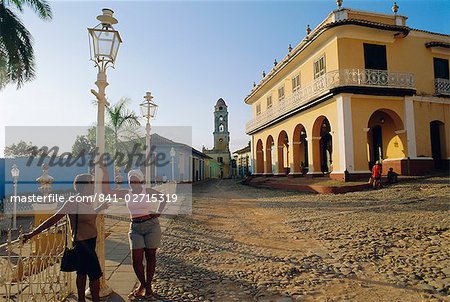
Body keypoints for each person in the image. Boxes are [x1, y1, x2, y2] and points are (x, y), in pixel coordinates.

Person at [23, 174, 108, 302]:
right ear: (84, 186)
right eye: (92, 183)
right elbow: (53, 219)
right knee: (94, 275)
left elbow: (89, 216)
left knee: (82, 272)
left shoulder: (88, 200)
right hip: (81, 244)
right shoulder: (73, 202)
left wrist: (99, 208)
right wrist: (32, 234)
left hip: (91, 242)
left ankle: (81, 300)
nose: (94, 186)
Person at [101, 166, 166, 299]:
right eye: (131, 180)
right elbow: (107, 191)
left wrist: (158, 212)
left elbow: (163, 197)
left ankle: (147, 287)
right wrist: (105, 172)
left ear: (140, 181)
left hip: (151, 226)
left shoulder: (147, 191)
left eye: (135, 181)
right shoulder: (126, 193)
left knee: (150, 257)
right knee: (136, 260)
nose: (133, 183)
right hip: (135, 228)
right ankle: (143, 284)